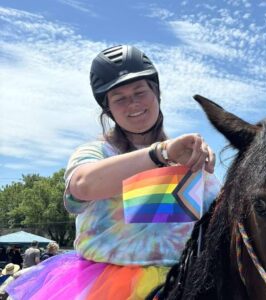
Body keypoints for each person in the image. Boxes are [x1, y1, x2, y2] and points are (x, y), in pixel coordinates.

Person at [6, 45, 216, 299]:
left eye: (140, 92)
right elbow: (82, 185)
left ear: (156, 94)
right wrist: (160, 153)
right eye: (120, 98)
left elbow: (220, 217)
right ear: (108, 110)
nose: (133, 104)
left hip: (182, 283)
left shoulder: (186, 155)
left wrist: (202, 172)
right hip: (103, 287)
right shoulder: (96, 152)